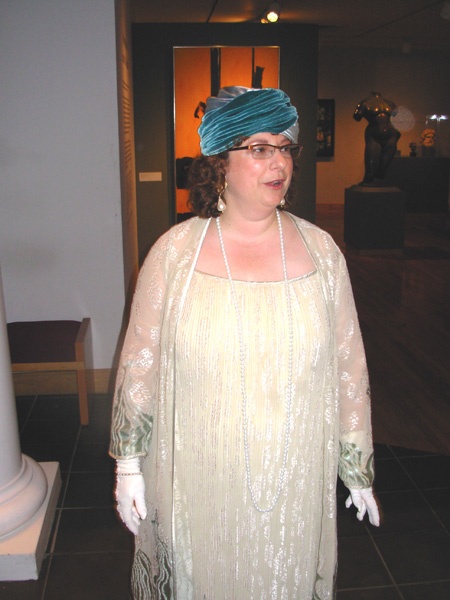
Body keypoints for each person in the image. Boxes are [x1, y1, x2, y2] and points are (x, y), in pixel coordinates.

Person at [110, 86, 380, 600]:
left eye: (285, 148)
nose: (279, 162)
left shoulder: (322, 253)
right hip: (201, 475)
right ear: (220, 163)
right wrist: (128, 465)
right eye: (259, 148)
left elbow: (349, 367)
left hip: (295, 475)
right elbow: (140, 363)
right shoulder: (174, 255)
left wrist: (357, 467)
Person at [353, 91, 401, 185]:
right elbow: (357, 117)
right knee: (371, 169)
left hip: (391, 136)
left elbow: (397, 117)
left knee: (383, 169)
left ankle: (377, 183)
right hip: (374, 137)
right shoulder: (365, 103)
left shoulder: (390, 103)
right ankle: (368, 181)